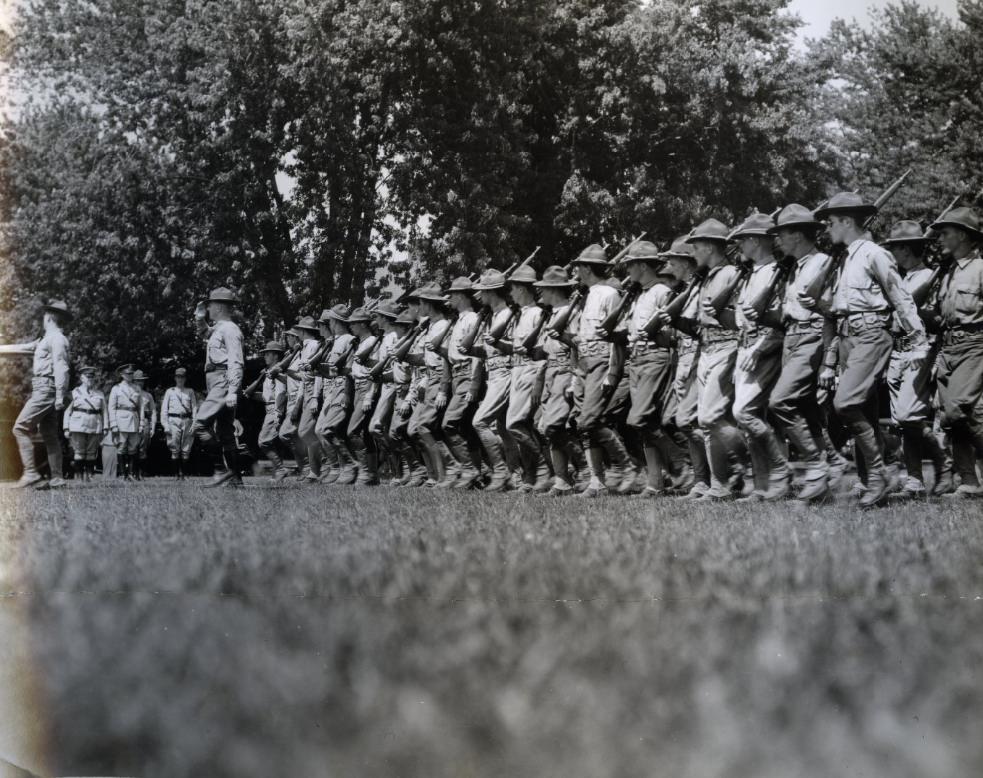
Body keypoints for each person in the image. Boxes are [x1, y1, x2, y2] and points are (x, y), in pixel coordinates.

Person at [814, 192, 928, 508]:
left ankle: (880, 474)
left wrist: (918, 339)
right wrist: (831, 356)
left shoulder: (873, 254)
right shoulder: (844, 258)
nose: (827, 229)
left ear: (847, 221)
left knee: (845, 403)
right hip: (849, 336)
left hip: (872, 333)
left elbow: (900, 297)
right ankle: (869, 484)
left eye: (831, 222)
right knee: (862, 410)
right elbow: (834, 312)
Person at [767, 204, 838, 503]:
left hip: (812, 335)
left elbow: (830, 311)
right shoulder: (794, 267)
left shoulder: (824, 263)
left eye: (782, 233)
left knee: (780, 401)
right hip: (792, 337)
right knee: (807, 409)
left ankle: (816, 465)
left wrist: (829, 358)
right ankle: (832, 463)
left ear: (797, 234)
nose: (778, 240)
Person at [882, 220, 952, 498]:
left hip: (918, 349)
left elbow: (938, 318)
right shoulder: (900, 278)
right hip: (896, 351)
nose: (891, 254)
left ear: (905, 249)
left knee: (908, 414)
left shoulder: (930, 277)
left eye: (894, 248)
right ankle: (914, 481)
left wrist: (910, 308)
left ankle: (943, 461)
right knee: (903, 422)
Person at [687, 220, 749, 501]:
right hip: (707, 348)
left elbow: (739, 319)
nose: (694, 253)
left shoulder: (730, 274)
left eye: (697, 246)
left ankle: (748, 467)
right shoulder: (710, 276)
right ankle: (719, 485)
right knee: (707, 423)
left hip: (725, 346)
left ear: (710, 246)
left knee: (711, 417)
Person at [730, 213, 790, 501]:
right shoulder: (751, 273)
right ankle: (763, 485)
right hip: (746, 350)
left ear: (755, 240)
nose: (739, 244)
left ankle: (781, 470)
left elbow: (780, 323)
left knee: (744, 412)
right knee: (750, 418)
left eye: (743, 239)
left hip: (764, 350)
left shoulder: (776, 273)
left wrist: (757, 349)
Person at [570, 245, 634, 497]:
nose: (575, 270)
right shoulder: (586, 295)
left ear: (587, 268)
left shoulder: (609, 294)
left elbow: (619, 338)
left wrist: (612, 373)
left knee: (589, 420)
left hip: (601, 361)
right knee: (582, 423)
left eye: (579, 266)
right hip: (585, 362)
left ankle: (627, 466)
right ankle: (597, 481)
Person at [929, 206, 983, 499]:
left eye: (945, 233)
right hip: (947, 348)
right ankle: (969, 482)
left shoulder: (981, 269)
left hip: (975, 345)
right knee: (952, 417)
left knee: (958, 409)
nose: (940, 239)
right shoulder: (946, 273)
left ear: (962, 235)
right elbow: (942, 316)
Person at [621, 241, 678, 497]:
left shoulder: (661, 292)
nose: (628, 271)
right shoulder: (639, 294)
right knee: (647, 424)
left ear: (643, 265)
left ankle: (681, 466)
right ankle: (655, 483)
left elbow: (670, 333)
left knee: (638, 418)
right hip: (637, 359)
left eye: (631, 265)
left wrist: (652, 335)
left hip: (654, 357)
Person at [0, 300, 71, 488]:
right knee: (49, 435)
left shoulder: (56, 339)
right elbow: (23, 348)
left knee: (19, 428)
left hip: (46, 389)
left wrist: (59, 395)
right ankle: (57, 478)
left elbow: (61, 367)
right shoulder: (45, 339)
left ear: (48, 317)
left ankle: (31, 473)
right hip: (46, 389)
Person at [535, 266, 584, 495]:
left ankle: (585, 468)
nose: (540, 293)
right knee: (548, 427)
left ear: (553, 290)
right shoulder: (552, 314)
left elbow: (578, 344)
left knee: (555, 426)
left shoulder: (571, 313)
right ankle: (562, 480)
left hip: (565, 371)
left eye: (543, 289)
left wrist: (574, 377)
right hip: (551, 374)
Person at [468, 270, 518, 491]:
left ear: (492, 292)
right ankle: (516, 475)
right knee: (505, 429)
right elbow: (488, 351)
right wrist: (471, 347)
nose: (479, 296)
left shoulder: (509, 315)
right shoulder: (491, 317)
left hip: (506, 373)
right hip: (494, 375)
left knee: (479, 422)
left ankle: (500, 470)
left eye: (483, 292)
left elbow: (516, 347)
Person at [192, 287, 245, 487]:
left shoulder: (230, 329)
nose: (208, 308)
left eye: (211, 305)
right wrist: (199, 318)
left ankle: (221, 470)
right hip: (218, 380)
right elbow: (205, 333)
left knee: (200, 425)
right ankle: (236, 480)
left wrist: (232, 390)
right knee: (225, 432)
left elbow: (236, 361)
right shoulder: (220, 328)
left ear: (220, 307)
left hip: (223, 380)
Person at [441, 276, 484, 489]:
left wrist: (474, 384)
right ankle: (479, 471)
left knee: (449, 424)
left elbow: (477, 354)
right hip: (458, 376)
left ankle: (469, 468)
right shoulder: (460, 320)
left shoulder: (472, 319)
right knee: (466, 427)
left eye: (452, 295)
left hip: (467, 374)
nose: (449, 299)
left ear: (460, 296)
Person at [248, 341, 289, 481]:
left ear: (276, 356)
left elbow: (281, 393)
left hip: (274, 411)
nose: (265, 356)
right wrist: (252, 394)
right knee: (272, 443)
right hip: (270, 409)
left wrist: (277, 413)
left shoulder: (277, 371)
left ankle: (280, 469)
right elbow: (267, 397)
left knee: (264, 441)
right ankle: (279, 472)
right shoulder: (268, 373)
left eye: (268, 353)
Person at [63, 365, 108, 481]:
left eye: (92, 378)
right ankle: (79, 476)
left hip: (95, 424)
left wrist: (106, 426)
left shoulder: (99, 394)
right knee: (79, 451)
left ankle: (89, 476)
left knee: (91, 452)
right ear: (82, 378)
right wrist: (66, 428)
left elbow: (104, 412)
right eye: (88, 377)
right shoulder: (74, 393)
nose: (90, 380)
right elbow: (67, 412)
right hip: (78, 425)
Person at [108, 363, 144, 481]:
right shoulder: (116, 389)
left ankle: (131, 474)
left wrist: (142, 423)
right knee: (121, 447)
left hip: (134, 420)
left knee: (133, 448)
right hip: (121, 420)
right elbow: (111, 407)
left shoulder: (137, 388)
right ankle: (122, 474)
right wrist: (113, 424)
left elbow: (141, 408)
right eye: (128, 373)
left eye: (131, 373)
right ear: (122, 375)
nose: (130, 375)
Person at [161, 367, 198, 479]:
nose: (180, 379)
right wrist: (165, 424)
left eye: (182, 377)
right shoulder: (170, 391)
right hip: (173, 420)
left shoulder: (190, 391)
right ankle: (176, 474)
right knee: (174, 447)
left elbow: (194, 408)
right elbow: (164, 410)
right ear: (175, 378)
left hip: (187, 420)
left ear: (185, 379)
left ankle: (184, 474)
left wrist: (194, 423)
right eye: (178, 377)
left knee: (186, 447)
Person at [133, 369, 156, 479]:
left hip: (146, 422)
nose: (140, 383)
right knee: (132, 447)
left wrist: (153, 426)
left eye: (141, 381)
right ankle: (132, 472)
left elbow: (153, 412)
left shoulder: (148, 396)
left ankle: (141, 473)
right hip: (132, 421)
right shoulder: (130, 394)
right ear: (134, 381)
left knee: (143, 448)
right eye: (137, 381)